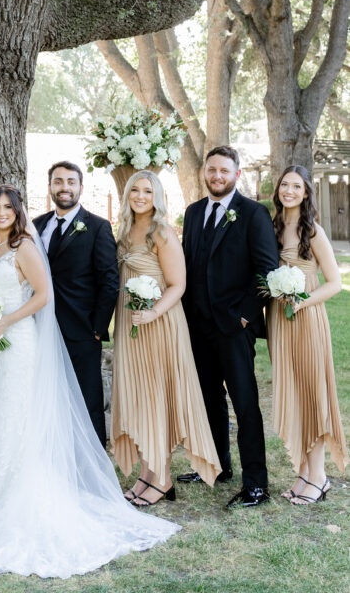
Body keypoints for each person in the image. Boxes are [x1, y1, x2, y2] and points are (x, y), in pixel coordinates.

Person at [0, 185, 178, 578]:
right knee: (2, 416)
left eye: (8, 208)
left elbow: (42, 296)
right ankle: (0, 495)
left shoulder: (24, 247)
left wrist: (4, 321)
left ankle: (27, 494)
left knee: (21, 415)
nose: (1, 213)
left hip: (17, 341)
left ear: (18, 212)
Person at [178, 145, 279, 507]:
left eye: (224, 170)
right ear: (204, 172)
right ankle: (218, 466)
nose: (217, 176)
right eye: (212, 170)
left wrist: (244, 316)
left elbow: (266, 270)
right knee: (208, 401)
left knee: (245, 402)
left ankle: (256, 484)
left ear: (236, 174)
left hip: (235, 327)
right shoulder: (192, 213)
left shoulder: (253, 214)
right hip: (198, 325)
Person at [111, 172, 220, 506]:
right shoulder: (124, 231)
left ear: (157, 196)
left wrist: (153, 313)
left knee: (158, 397)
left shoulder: (163, 232)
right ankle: (147, 473)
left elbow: (178, 285)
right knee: (141, 399)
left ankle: (164, 478)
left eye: (148, 191)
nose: (141, 196)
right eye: (135, 190)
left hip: (159, 325)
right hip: (131, 329)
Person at [267, 165, 347, 505]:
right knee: (294, 393)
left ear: (306, 193)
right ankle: (302, 471)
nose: (289, 191)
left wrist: (301, 303)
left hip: (306, 319)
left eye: (296, 186)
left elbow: (335, 283)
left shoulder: (311, 230)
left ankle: (319, 476)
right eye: (285, 184)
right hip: (279, 322)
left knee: (311, 394)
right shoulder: (272, 226)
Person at [32, 161, 118, 445]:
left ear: (81, 187)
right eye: (58, 182)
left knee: (87, 397)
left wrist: (97, 328)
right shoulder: (36, 226)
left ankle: (93, 461)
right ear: (50, 188)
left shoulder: (97, 227)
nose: (64, 187)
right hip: (40, 327)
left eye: (71, 182)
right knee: (47, 394)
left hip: (82, 328)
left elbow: (109, 281)